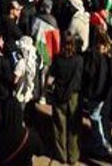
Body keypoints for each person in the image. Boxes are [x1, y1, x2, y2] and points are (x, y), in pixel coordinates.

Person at [45, 34, 83, 165]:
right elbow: (78, 78)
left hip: (59, 94)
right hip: (73, 96)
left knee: (59, 126)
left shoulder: (57, 59)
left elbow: (51, 77)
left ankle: (61, 154)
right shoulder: (79, 60)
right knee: (73, 127)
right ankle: (73, 156)